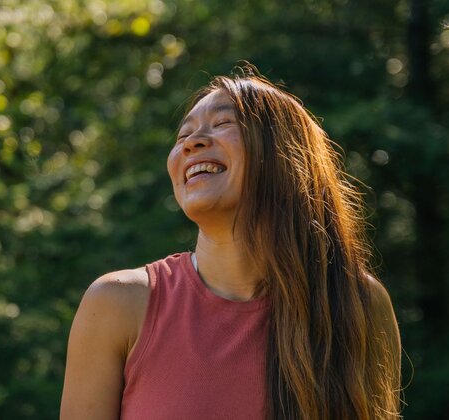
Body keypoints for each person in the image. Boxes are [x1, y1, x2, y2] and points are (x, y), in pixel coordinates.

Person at [60, 64, 402, 420]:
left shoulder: (358, 303)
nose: (192, 143)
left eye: (223, 124)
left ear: (286, 154)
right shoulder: (117, 304)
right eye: (183, 137)